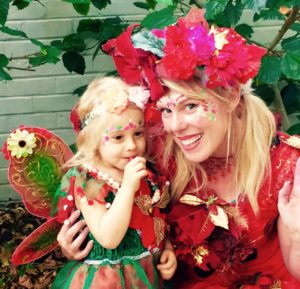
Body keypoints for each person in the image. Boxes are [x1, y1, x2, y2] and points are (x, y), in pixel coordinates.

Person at [56, 8, 300, 289]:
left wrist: (296, 230)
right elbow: (100, 187)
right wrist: (81, 245)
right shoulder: (157, 149)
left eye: (191, 105)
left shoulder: (286, 164)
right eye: (166, 110)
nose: (175, 126)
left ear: (232, 96)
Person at [51, 76, 177, 289]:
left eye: (138, 133)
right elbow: (109, 238)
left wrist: (168, 248)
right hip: (108, 278)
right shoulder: (88, 180)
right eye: (118, 137)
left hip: (147, 272)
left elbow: (156, 217)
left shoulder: (145, 172)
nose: (132, 145)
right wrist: (128, 188)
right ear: (93, 139)